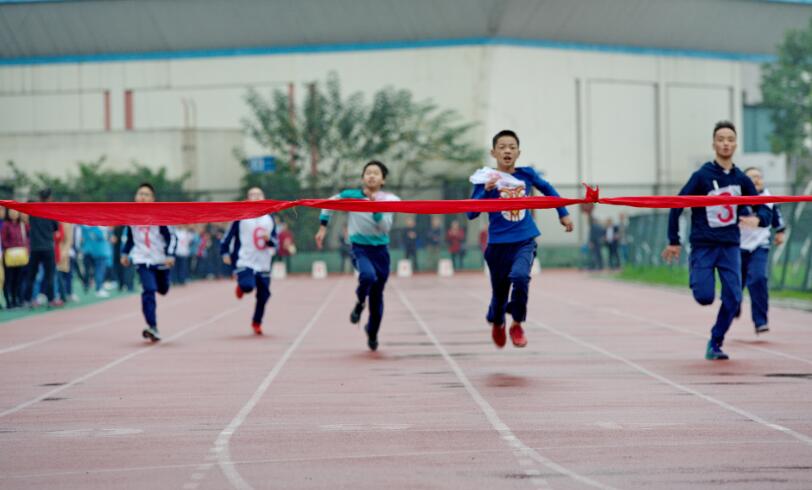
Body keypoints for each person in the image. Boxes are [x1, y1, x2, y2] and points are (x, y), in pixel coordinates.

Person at [662, 121, 769, 361]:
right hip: (704, 245)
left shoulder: (742, 179)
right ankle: (696, 271)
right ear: (714, 144)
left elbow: (764, 207)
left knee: (734, 297)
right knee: (704, 297)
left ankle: (716, 341)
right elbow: (676, 205)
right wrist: (674, 240)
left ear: (735, 144)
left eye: (730, 139)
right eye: (721, 139)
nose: (725, 143)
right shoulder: (701, 176)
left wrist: (759, 219)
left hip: (730, 245)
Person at [468, 130, 573, 349]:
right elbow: (471, 213)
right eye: (502, 147)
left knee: (521, 277)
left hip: (524, 240)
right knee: (499, 295)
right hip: (497, 245)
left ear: (518, 152)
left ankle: (516, 323)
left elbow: (548, 189)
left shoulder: (527, 175)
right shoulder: (484, 178)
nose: (507, 150)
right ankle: (497, 321)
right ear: (493, 152)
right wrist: (486, 192)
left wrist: (562, 213)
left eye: (512, 147)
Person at [315, 160, 399, 352]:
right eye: (367, 172)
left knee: (377, 296)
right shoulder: (350, 196)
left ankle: (372, 332)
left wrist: (374, 205)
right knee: (367, 276)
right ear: (362, 178)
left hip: (381, 251)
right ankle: (360, 302)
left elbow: (385, 227)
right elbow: (327, 205)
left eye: (376, 173)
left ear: (383, 179)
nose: (371, 176)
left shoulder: (391, 199)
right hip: (359, 248)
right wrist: (322, 227)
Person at [121, 183, 177, 342]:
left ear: (153, 199)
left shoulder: (160, 216)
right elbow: (130, 238)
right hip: (142, 260)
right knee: (149, 290)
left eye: (146, 194)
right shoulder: (131, 217)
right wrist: (125, 253)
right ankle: (152, 326)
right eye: (140, 194)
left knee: (163, 289)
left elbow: (171, 237)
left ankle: (163, 284)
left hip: (160, 261)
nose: (142, 197)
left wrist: (170, 255)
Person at [220, 187, 278, 335]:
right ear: (247, 198)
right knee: (247, 286)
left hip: (263, 262)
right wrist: (224, 251)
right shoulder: (241, 216)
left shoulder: (270, 217)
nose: (256, 197)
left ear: (264, 197)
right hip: (245, 260)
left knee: (264, 295)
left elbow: (275, 241)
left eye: (259, 194)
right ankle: (241, 286)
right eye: (252, 195)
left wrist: (269, 240)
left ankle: (256, 322)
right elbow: (228, 236)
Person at [738, 166, 786, 335]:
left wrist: (780, 231)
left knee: (758, 279)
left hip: (759, 245)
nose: (756, 180)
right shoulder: (737, 197)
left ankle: (760, 321)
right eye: (751, 177)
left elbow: (776, 217)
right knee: (735, 283)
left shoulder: (768, 197)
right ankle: (734, 306)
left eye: (759, 177)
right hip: (737, 248)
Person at [24, 188, 62, 308]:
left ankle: (28, 300)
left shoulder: (33, 211)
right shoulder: (50, 212)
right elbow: (56, 228)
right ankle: (51, 300)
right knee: (49, 276)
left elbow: (27, 211)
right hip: (47, 248)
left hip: (35, 248)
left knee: (31, 275)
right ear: (49, 198)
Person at [1, 208, 29, 308]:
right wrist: (11, 247)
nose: (13, 214)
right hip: (10, 256)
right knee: (9, 279)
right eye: (11, 212)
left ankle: (17, 299)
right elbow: (3, 240)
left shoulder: (22, 225)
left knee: (18, 279)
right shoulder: (6, 225)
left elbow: (27, 238)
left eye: (15, 212)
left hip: (20, 256)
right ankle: (9, 301)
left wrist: (24, 248)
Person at [81, 224, 112, 297]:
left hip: (93, 251)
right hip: (100, 252)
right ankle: (99, 288)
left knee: (94, 271)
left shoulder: (89, 228)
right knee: (99, 271)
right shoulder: (98, 228)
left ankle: (91, 285)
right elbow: (105, 237)